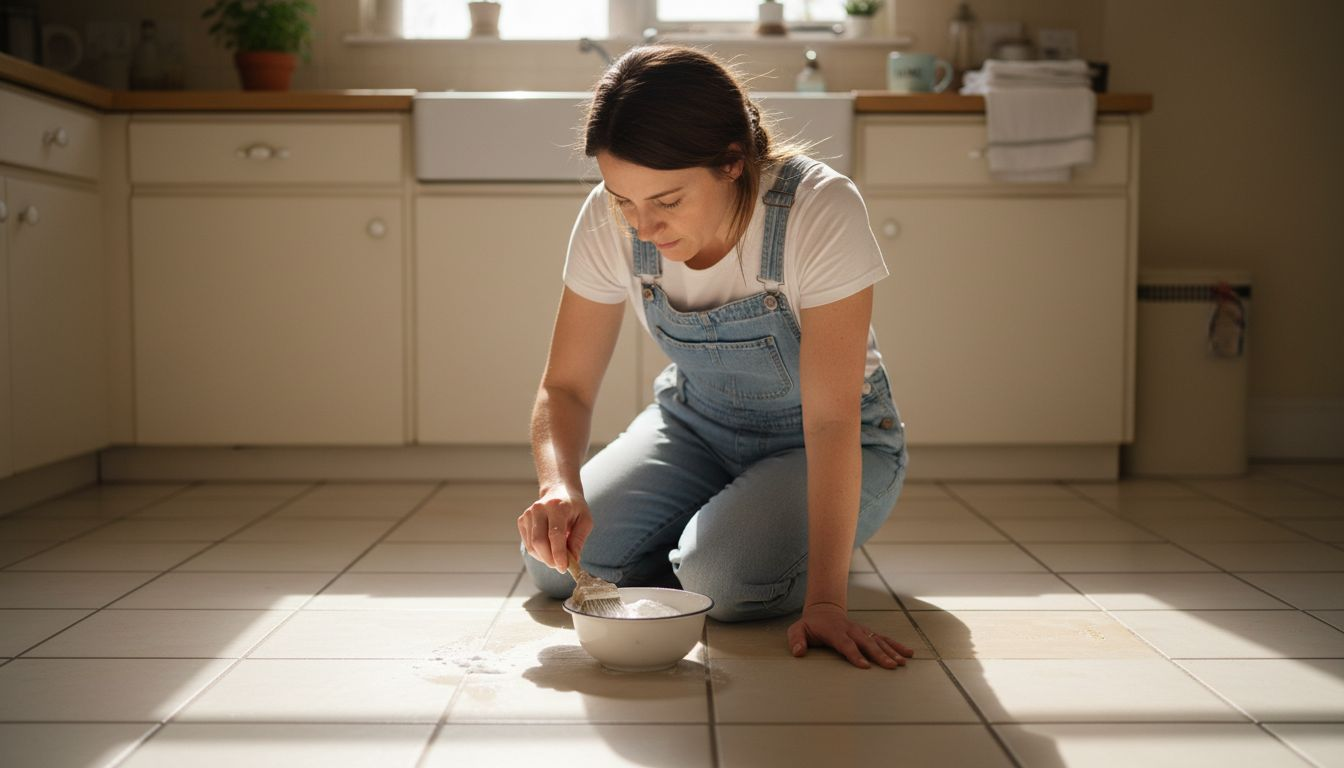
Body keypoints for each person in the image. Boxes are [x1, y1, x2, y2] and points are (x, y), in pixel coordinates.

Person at [517, 45, 915, 670]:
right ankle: (720, 534)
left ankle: (735, 547)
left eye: (667, 202)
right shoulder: (611, 219)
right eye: (623, 199)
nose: (642, 226)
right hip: (693, 424)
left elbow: (831, 419)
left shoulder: (819, 209)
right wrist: (558, 484)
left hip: (832, 441)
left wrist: (828, 604)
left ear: (731, 162)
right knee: (561, 566)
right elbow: (564, 387)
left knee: (724, 582)